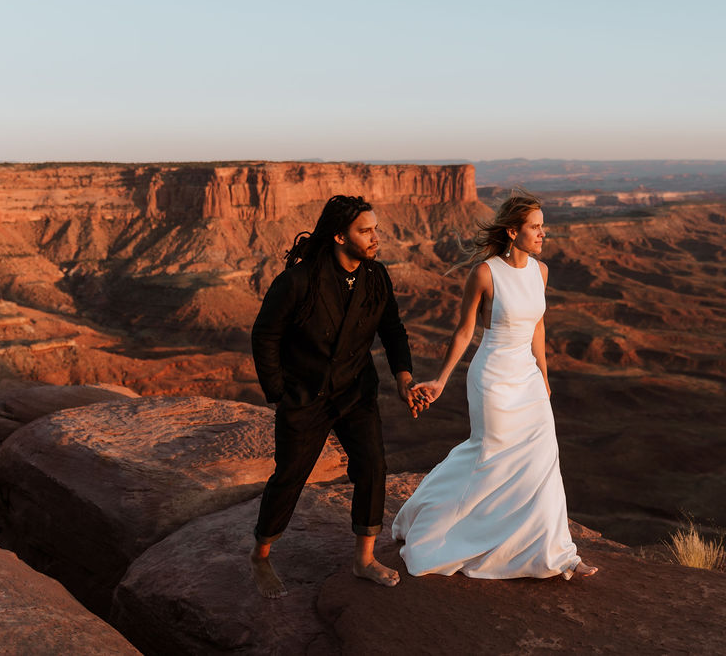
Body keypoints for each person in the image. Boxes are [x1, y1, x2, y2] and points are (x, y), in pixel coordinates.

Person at [392, 192, 597, 580]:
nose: (543, 233)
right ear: (512, 231)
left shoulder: (541, 271)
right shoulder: (485, 273)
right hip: (493, 379)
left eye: (542, 226)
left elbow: (538, 327)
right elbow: (465, 330)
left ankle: (559, 553)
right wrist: (441, 379)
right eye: (535, 227)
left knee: (543, 462)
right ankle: (433, 528)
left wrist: (545, 378)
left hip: (529, 380)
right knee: (489, 460)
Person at [249, 194, 424, 598]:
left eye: (375, 229)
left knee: (373, 466)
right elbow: (265, 335)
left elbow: (393, 329)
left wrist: (403, 377)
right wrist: (278, 393)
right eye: (366, 230)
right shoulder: (298, 281)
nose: (374, 237)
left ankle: (363, 559)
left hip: (355, 391)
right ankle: (260, 553)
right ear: (340, 236)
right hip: (305, 395)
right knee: (290, 476)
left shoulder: (376, 277)